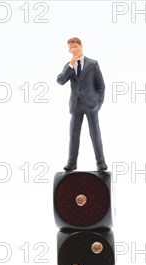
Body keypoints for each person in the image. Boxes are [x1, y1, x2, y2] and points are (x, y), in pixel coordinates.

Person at [57, 37, 107, 172]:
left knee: (95, 133)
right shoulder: (70, 65)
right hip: (76, 106)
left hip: (91, 104)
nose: (74, 50)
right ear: (69, 50)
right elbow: (60, 80)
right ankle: (71, 163)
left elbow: (101, 85)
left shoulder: (93, 64)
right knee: (73, 135)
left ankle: (100, 161)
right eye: (71, 48)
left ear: (81, 47)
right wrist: (70, 65)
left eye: (76, 47)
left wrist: (98, 103)